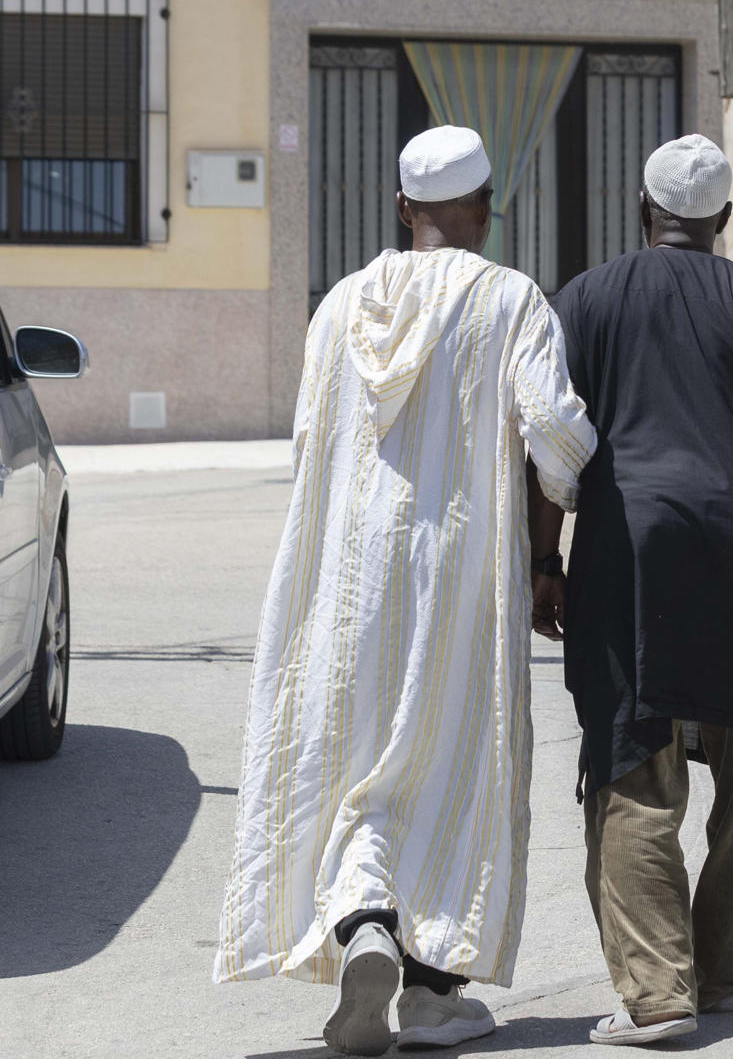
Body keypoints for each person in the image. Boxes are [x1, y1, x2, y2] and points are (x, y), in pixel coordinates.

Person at [215, 126, 597, 1056]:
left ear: (401, 208)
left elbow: (311, 442)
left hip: (347, 578)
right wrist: (578, 486)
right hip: (460, 572)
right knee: (449, 759)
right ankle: (432, 997)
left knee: (352, 761)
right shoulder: (512, 301)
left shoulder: (339, 305)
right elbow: (555, 435)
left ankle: (363, 928)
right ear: (488, 206)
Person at [530, 133, 733, 1047]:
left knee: (634, 757)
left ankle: (660, 993)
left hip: (631, 542)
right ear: (724, 221)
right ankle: (732, 969)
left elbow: (553, 446)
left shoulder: (585, 300)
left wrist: (547, 561)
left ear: (642, 210)